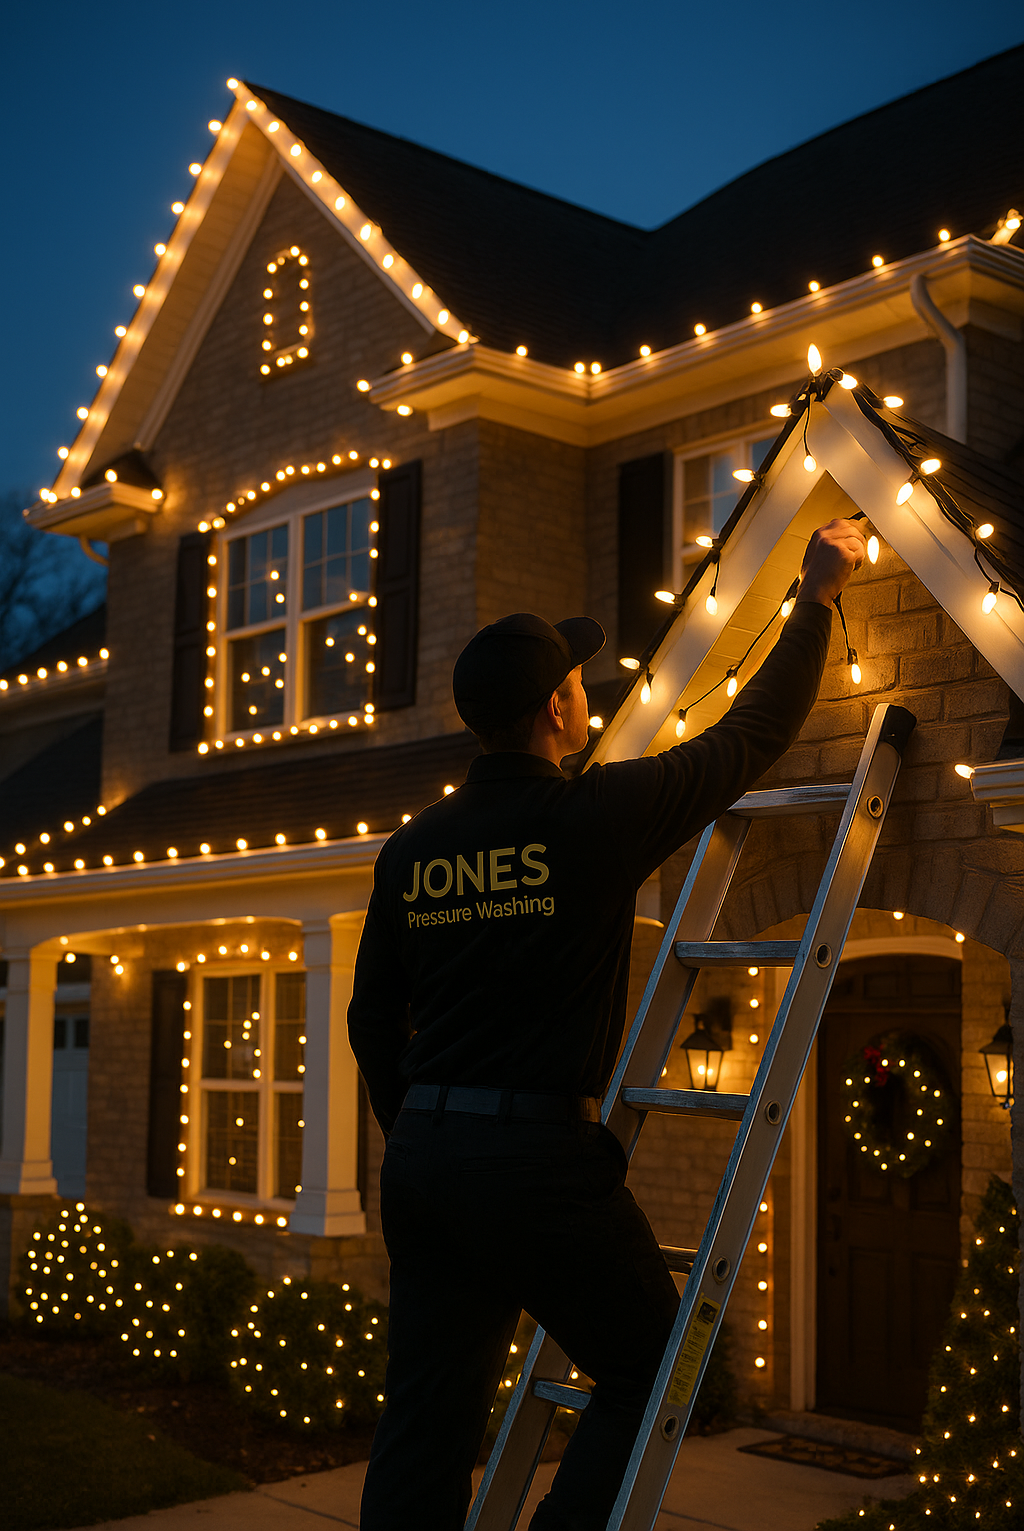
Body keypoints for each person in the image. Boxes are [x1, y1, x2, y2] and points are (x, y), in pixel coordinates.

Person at [349, 518, 865, 1529]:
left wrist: (418, 1131)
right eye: (578, 679)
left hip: (424, 1157)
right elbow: (747, 741)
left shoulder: (412, 852)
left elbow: (374, 1021)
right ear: (556, 706)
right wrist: (816, 596)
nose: (588, 689)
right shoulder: (591, 817)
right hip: (535, 1162)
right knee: (653, 1365)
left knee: (425, 1421)